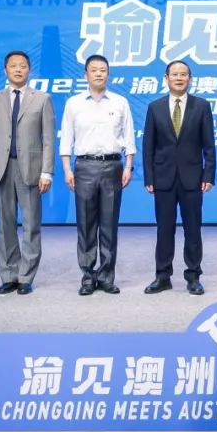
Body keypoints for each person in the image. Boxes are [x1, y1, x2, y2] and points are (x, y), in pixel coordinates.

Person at [0, 51, 55, 296]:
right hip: (1, 169)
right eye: (13, 66)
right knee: (5, 225)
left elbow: (48, 140)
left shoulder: (42, 99)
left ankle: (26, 277)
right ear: (6, 70)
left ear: (29, 70)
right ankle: (9, 275)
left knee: (31, 225)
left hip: (30, 169)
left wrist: (46, 172)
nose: (18, 69)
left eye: (23, 66)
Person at [60, 55, 136, 296]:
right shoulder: (74, 103)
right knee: (85, 224)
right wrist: (67, 169)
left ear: (108, 74)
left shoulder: (120, 102)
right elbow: (66, 139)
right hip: (84, 167)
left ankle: (106, 277)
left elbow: (129, 137)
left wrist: (128, 166)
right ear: (85, 74)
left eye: (103, 70)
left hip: (113, 167)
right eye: (94, 70)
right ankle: (87, 276)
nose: (99, 74)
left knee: (109, 224)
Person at [142, 60, 216, 296]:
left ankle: (193, 276)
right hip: (163, 178)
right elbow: (148, 146)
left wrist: (208, 174)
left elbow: (209, 145)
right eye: (174, 74)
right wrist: (149, 177)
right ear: (166, 78)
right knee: (164, 230)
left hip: (193, 178)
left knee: (193, 230)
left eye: (183, 74)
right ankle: (162, 276)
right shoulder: (155, 107)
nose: (179, 78)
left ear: (190, 79)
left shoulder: (201, 106)